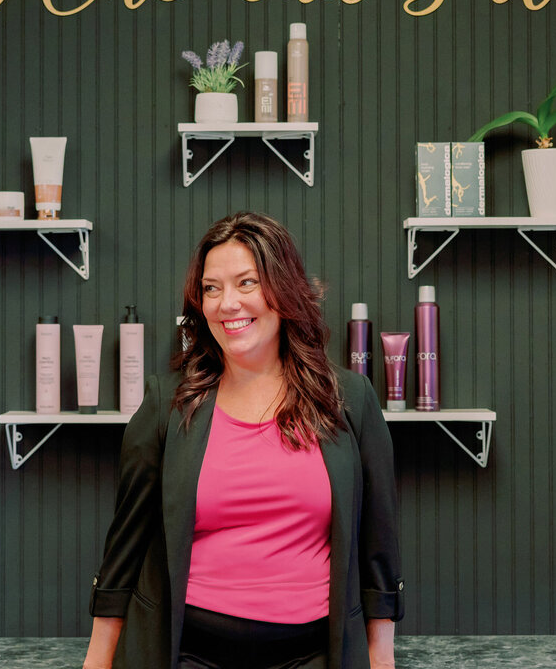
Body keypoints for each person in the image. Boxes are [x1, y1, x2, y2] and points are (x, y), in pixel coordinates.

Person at [83, 211, 404, 669]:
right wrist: (96, 662)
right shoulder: (167, 405)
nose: (226, 303)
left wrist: (382, 659)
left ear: (284, 290)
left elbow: (379, 547)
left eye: (246, 283)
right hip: (189, 652)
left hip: (314, 653)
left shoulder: (349, 400)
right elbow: (124, 552)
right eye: (211, 288)